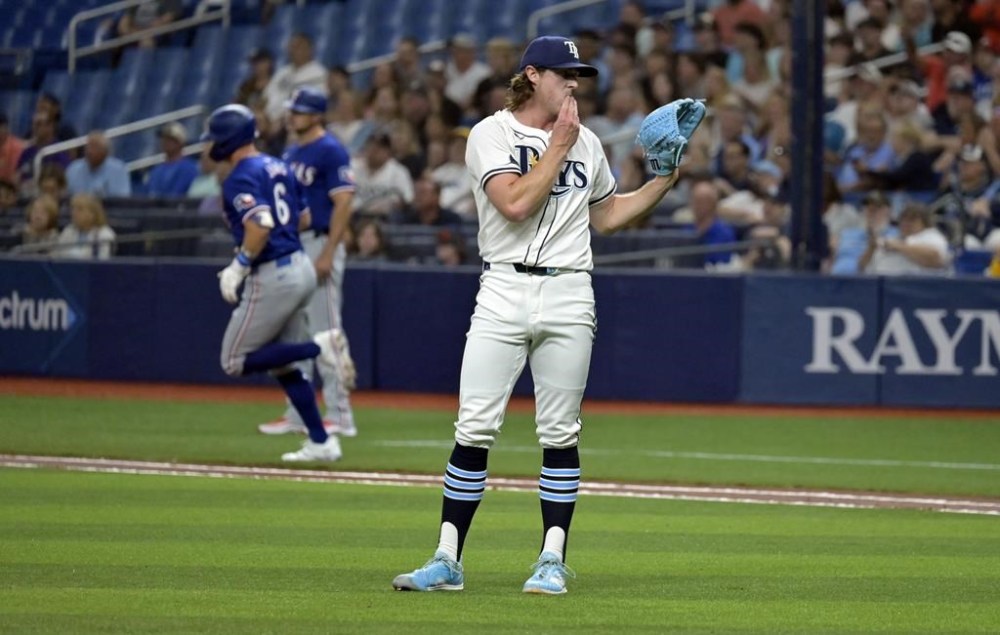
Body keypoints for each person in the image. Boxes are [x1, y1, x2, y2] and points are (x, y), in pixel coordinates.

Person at [392, 35, 683, 595]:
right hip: (503, 286)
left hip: (571, 291)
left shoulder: (588, 142)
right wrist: (559, 145)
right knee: (474, 427)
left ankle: (551, 559)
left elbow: (609, 217)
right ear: (531, 75)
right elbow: (515, 203)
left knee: (559, 432)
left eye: (576, 75)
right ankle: (447, 559)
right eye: (561, 73)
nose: (572, 83)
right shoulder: (491, 133)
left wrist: (663, 180)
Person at [200, 103, 344, 463]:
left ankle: (319, 348)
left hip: (274, 273)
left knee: (233, 360)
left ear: (228, 139)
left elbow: (260, 223)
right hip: (300, 264)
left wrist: (240, 263)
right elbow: (306, 217)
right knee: (282, 364)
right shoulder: (280, 164)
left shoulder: (239, 175)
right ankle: (321, 441)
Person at [256, 87, 359, 439]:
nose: (292, 115)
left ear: (316, 115)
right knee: (294, 334)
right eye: (291, 110)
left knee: (326, 330)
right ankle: (299, 412)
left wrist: (330, 251)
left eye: (298, 111)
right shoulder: (292, 150)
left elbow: (343, 202)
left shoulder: (330, 149)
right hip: (294, 247)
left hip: (319, 244)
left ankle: (341, 415)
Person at [859, 202, 951, 275]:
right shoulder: (891, 239)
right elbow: (862, 267)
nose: (906, 223)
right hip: (881, 286)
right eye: (903, 219)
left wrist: (899, 246)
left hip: (916, 288)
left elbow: (935, 259)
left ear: (924, 222)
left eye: (912, 220)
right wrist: (871, 249)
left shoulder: (931, 236)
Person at [65, 131, 131, 197]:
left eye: (95, 147)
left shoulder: (118, 169)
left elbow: (122, 200)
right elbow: (66, 195)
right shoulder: (74, 168)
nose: (90, 151)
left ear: (105, 152)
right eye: (89, 147)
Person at [52, 193, 116, 260]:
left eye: (80, 209)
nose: (74, 213)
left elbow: (103, 263)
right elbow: (56, 256)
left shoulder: (104, 235)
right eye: (73, 209)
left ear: (93, 214)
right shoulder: (68, 231)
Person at [145, 123, 198, 197]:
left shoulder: (190, 169)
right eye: (164, 138)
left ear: (180, 142)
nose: (165, 142)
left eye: (170, 139)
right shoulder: (156, 171)